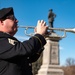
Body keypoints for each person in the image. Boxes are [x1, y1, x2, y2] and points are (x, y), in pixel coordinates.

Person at [0, 7, 48, 75]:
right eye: (13, 18)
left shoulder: (9, 42)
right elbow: (24, 49)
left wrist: (41, 37)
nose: (17, 20)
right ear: (1, 22)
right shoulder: (1, 40)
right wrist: (39, 35)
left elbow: (29, 58)